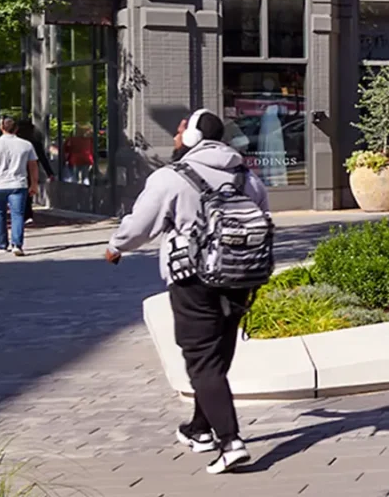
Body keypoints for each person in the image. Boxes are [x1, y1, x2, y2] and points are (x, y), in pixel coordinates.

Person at [104, 110, 271, 476]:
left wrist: (116, 246)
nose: (176, 135)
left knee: (200, 360)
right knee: (216, 356)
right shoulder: (246, 176)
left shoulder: (171, 177)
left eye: (180, 130)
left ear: (193, 136)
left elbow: (140, 226)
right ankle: (200, 429)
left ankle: (231, 442)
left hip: (192, 279)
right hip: (242, 277)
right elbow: (263, 216)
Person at [0, 117, 42, 256]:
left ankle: (2, 244)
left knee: (0, 214)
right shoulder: (26, 145)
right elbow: (33, 166)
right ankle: (17, 245)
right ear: (16, 129)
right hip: (18, 184)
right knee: (18, 215)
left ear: (1, 128)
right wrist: (34, 184)